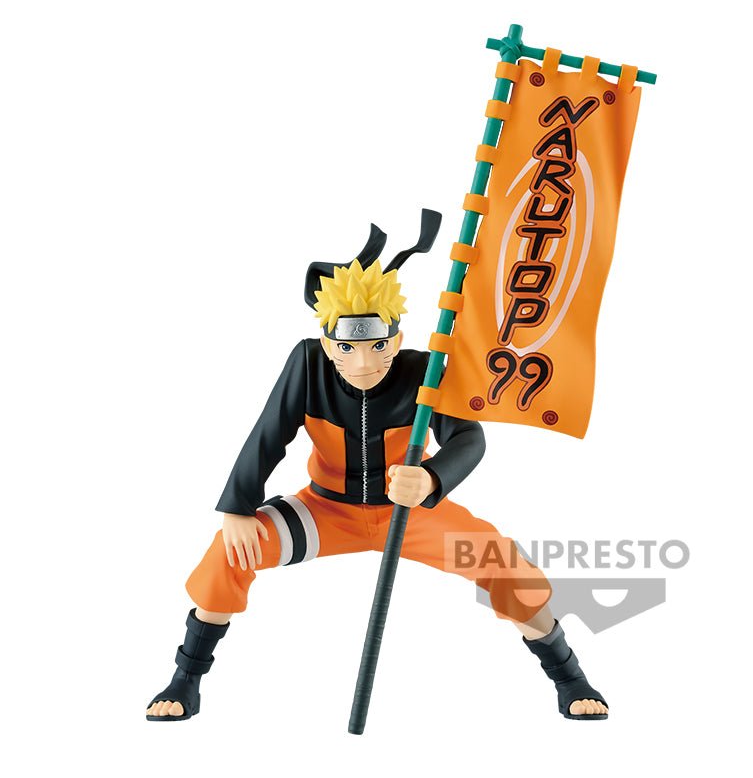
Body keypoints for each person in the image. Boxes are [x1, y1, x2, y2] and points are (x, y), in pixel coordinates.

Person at [146, 212, 608, 723]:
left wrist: (431, 477)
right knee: (229, 551)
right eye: (346, 347)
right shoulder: (307, 363)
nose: (363, 363)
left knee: (506, 564)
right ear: (327, 342)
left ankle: (569, 676)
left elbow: (469, 438)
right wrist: (238, 506)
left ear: (397, 337)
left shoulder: (425, 370)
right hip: (324, 512)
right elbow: (268, 434)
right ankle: (185, 679)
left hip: (412, 515)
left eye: (378, 345)